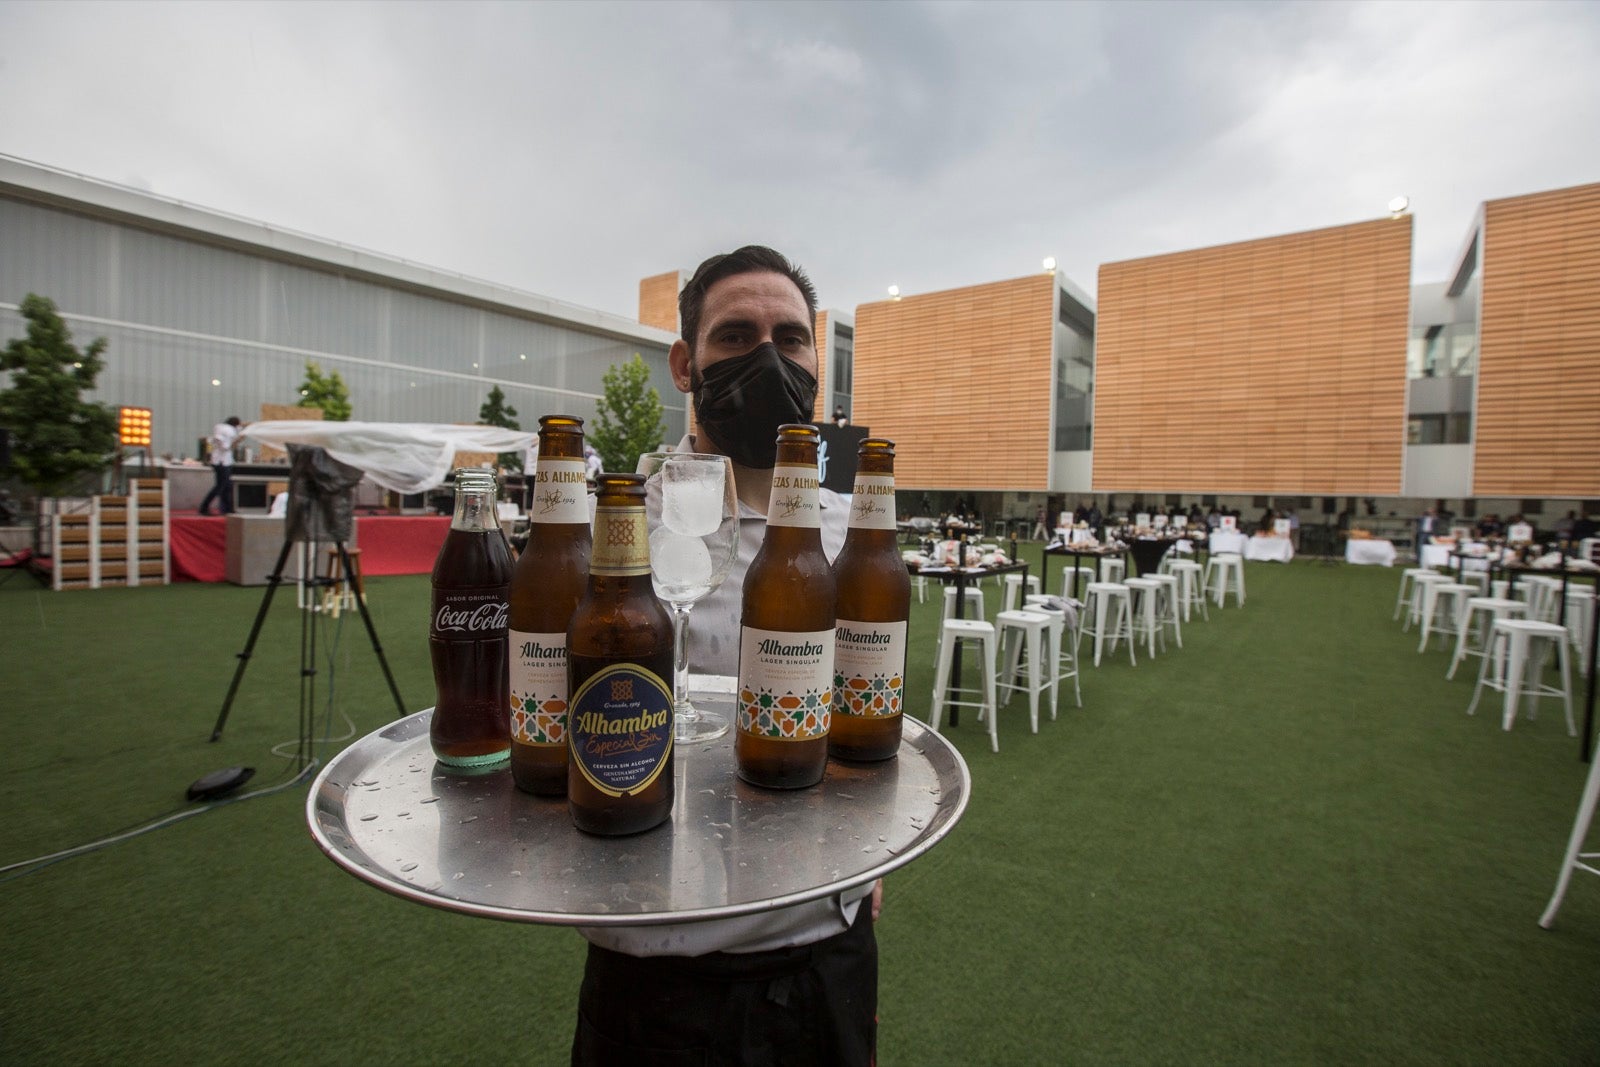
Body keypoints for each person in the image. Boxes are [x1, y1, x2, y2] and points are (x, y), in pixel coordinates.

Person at [571, 246, 878, 1067]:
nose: (768, 359)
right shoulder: (624, 522)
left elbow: (871, 707)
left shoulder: (853, 521)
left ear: (818, 362)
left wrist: (876, 856)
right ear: (684, 363)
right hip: (653, 959)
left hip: (824, 946)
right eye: (736, 336)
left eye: (790, 338)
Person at [197, 416, 243, 516]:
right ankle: (204, 506)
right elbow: (226, 447)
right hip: (222, 462)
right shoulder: (227, 431)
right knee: (221, 486)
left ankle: (227, 509)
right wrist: (238, 440)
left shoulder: (220, 429)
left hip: (220, 461)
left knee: (226, 486)